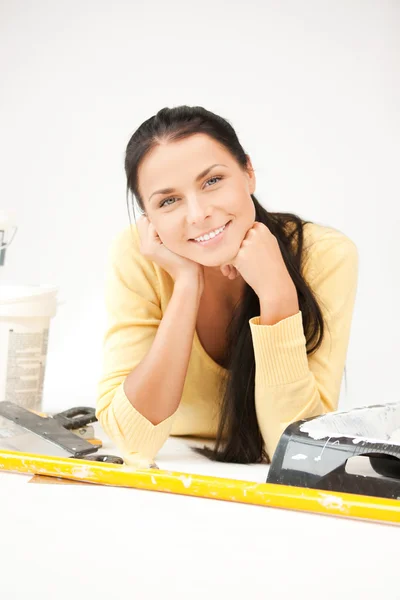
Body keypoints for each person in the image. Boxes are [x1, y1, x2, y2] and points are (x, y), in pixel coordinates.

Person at [96, 105, 359, 467]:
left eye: (212, 181)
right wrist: (187, 285)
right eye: (169, 201)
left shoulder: (325, 255)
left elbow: (299, 451)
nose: (198, 213)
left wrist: (277, 295)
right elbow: (132, 441)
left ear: (248, 173)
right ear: (150, 219)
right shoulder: (140, 256)